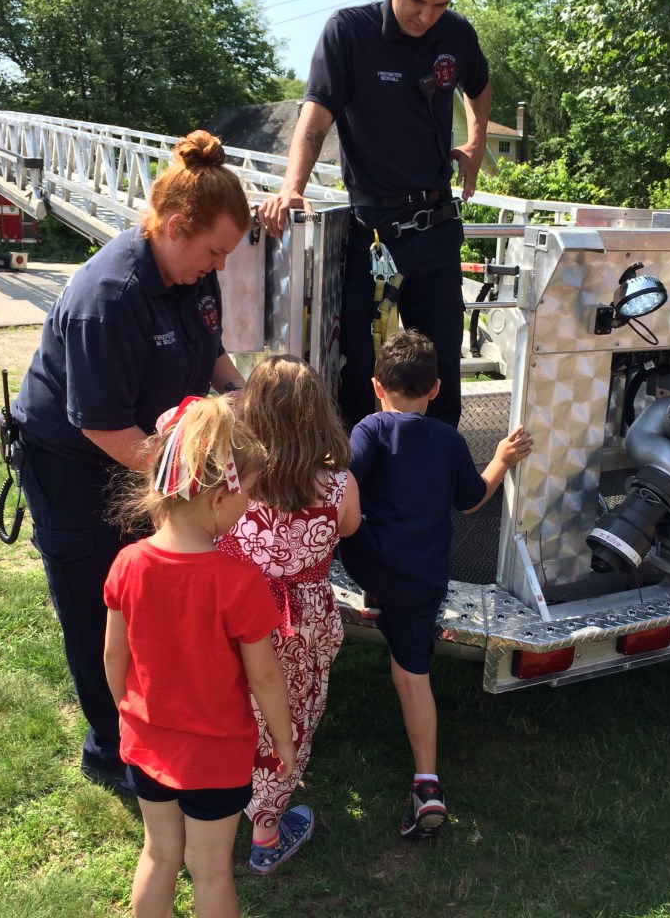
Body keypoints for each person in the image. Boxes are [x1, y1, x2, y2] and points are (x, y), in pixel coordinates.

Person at [12, 130, 251, 791]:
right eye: (214, 252)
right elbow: (104, 427)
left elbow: (211, 352)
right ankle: (110, 750)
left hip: (143, 452)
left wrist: (240, 396)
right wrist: (194, 482)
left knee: (151, 602)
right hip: (75, 465)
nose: (220, 267)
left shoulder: (190, 272)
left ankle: (151, 726)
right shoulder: (109, 296)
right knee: (100, 607)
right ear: (175, 227)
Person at [258, 0, 491, 431]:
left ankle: (437, 494)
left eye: (439, 5)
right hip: (375, 235)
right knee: (364, 372)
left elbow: (479, 83)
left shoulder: (456, 35)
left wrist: (474, 143)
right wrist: (291, 186)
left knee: (441, 373)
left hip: (436, 227)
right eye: (416, 0)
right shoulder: (349, 32)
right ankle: (360, 493)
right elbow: (316, 118)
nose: (425, 16)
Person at [104, 394, 295, 918]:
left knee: (158, 853)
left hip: (146, 744)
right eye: (250, 493)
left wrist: (129, 713)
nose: (251, 505)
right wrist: (284, 740)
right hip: (217, 756)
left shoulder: (126, 564)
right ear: (217, 499)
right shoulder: (239, 582)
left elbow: (112, 657)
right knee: (208, 871)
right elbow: (265, 678)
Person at [339, 329, 533, 840]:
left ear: (377, 386)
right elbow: (471, 500)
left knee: (374, 581)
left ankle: (376, 603)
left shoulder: (369, 429)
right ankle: (427, 783)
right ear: (438, 389)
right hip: (424, 578)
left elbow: (343, 483)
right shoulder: (449, 439)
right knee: (412, 676)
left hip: (370, 566)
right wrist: (503, 460)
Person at [216, 355, 361, 874]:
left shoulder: (230, 480)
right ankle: (267, 834)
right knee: (288, 720)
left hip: (234, 616)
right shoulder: (338, 482)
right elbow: (348, 529)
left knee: (232, 710)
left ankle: (215, 803)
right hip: (300, 622)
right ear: (319, 413)